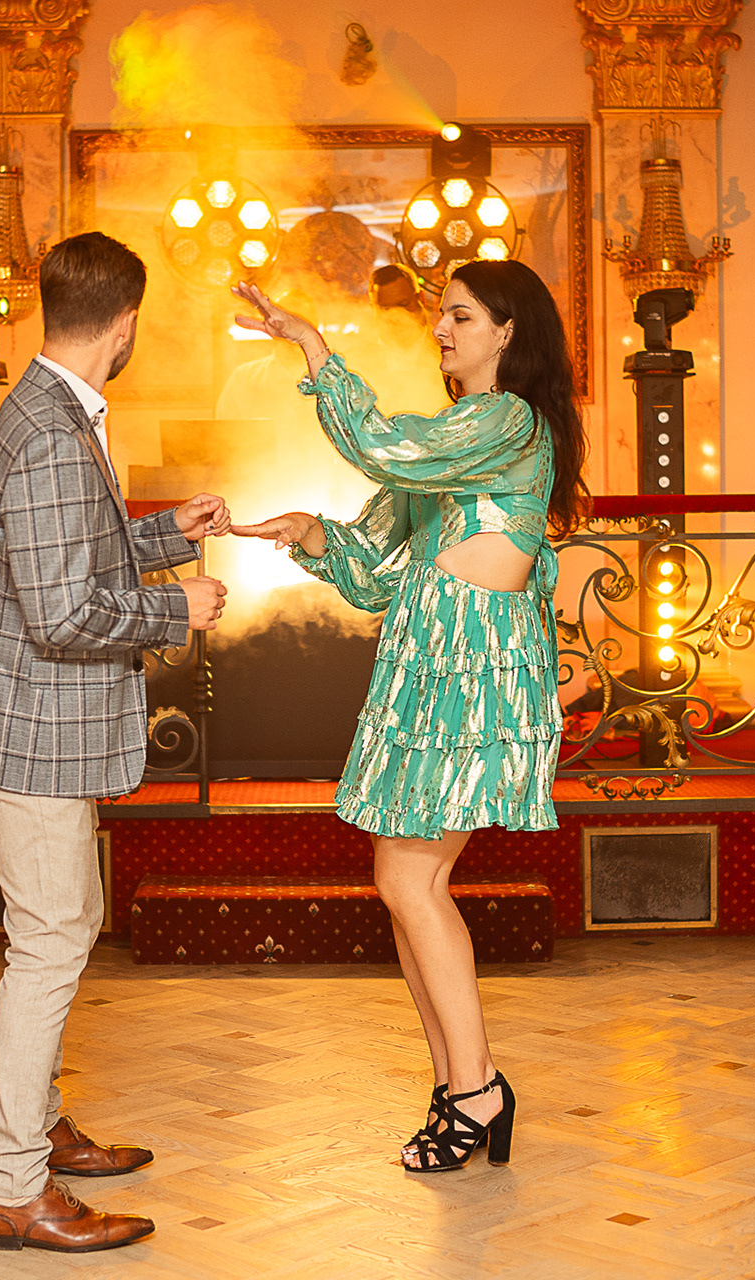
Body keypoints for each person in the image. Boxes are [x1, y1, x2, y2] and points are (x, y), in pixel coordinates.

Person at [230, 259, 587, 1172]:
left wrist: (314, 346)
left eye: (461, 316)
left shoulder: (508, 421)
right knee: (404, 884)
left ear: (508, 331)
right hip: (426, 663)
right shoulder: (461, 436)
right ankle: (458, 1084)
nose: (442, 329)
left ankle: (477, 1088)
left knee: (412, 881)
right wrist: (313, 533)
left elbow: (386, 447)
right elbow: (376, 573)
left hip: (472, 668)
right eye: (443, 316)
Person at [0, 232, 231, 1252]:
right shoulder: (57, 433)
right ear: (126, 323)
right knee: (52, 941)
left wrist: (165, 534)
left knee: (66, 923)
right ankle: (15, 1186)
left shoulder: (48, 407)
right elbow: (62, 612)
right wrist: (176, 606)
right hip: (29, 736)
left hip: (25, 727)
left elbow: (66, 551)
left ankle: (41, 1124)